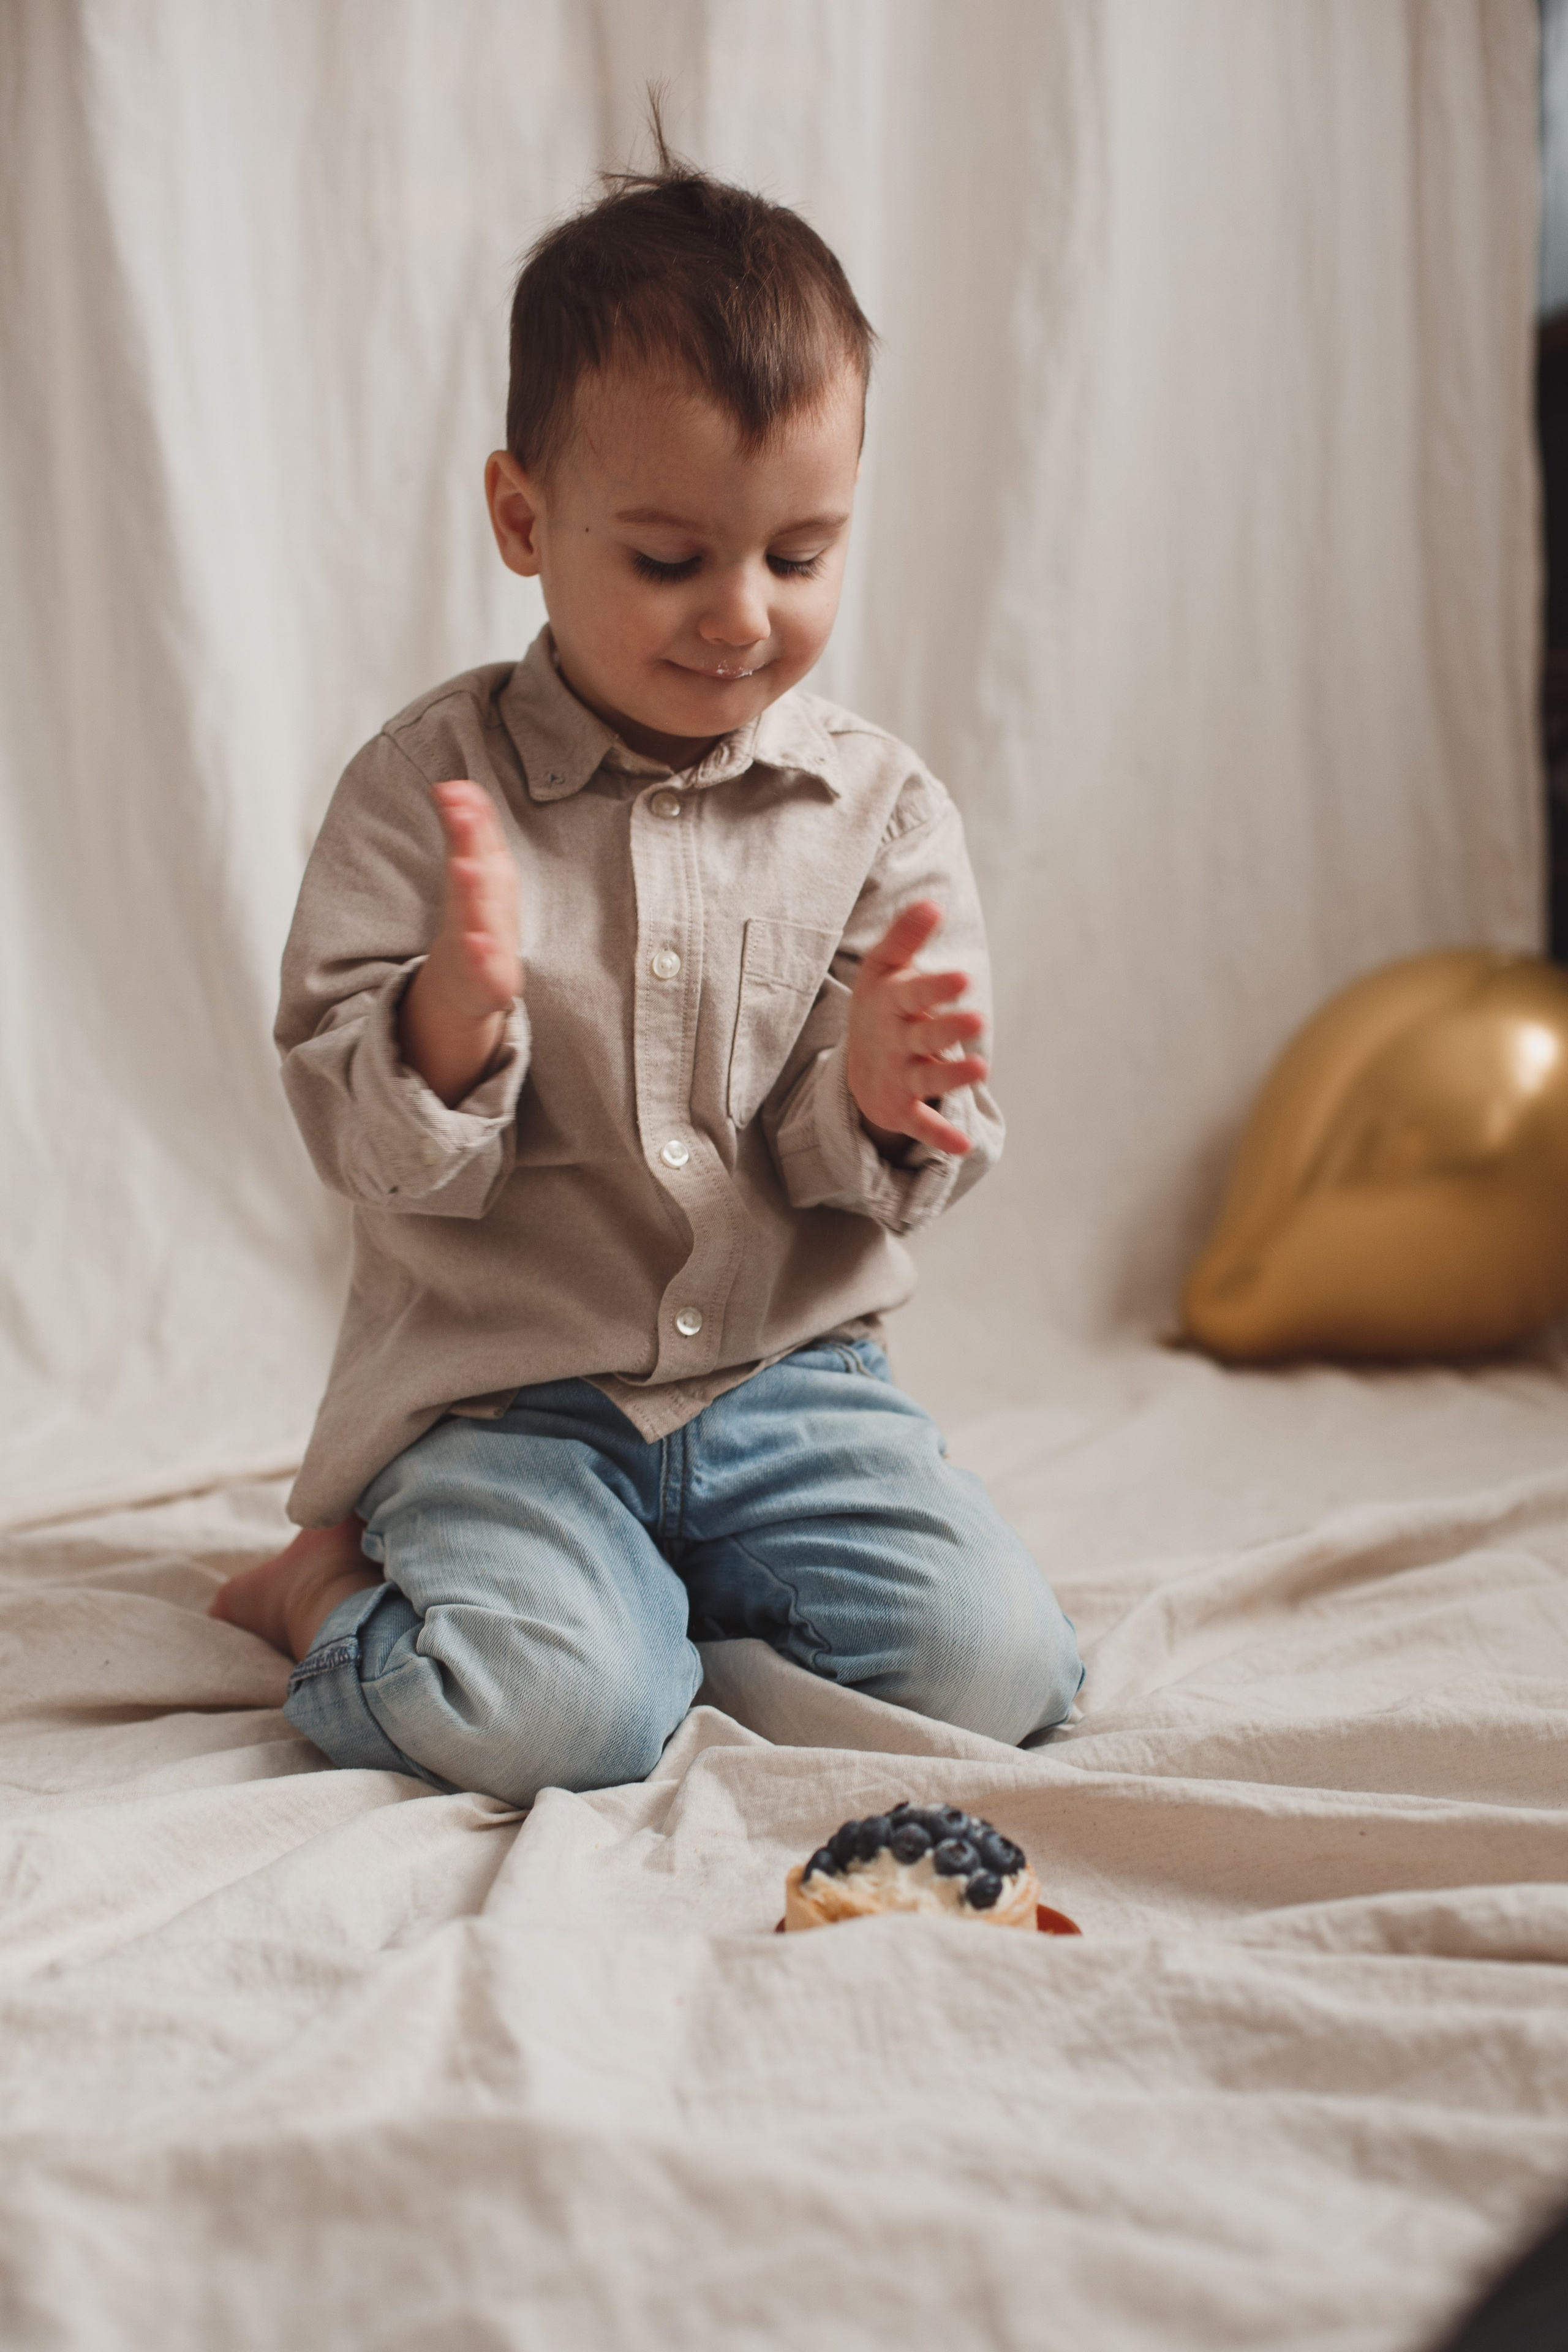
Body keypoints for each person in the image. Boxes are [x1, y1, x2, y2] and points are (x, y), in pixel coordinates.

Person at [210, 133, 1083, 1807]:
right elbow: (351, 1125)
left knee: (998, 1671)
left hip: (785, 1380)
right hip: (503, 1405)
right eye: (671, 559)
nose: (740, 616)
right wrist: (449, 1023)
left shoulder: (880, 810)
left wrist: (889, 1097)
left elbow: (892, 1172)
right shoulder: (426, 788)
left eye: (801, 554)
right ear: (524, 520)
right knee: (564, 1726)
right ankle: (326, 1591)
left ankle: (672, 1604)